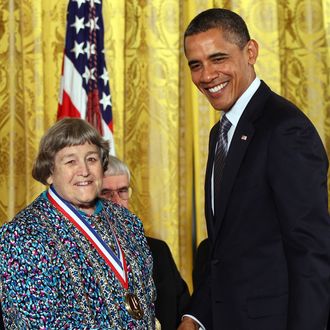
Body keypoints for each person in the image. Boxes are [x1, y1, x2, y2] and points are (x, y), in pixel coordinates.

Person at [178, 8, 330, 330]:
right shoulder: (220, 132)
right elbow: (227, 250)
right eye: (196, 65)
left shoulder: (285, 129)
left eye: (218, 59)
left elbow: (311, 253)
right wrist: (196, 315)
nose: (206, 76)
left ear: (251, 52)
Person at [0, 118, 156, 328]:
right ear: (49, 173)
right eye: (70, 161)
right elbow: (40, 324)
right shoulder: (22, 236)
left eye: (91, 159)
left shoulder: (127, 222)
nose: (84, 171)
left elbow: (147, 298)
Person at [100, 155, 191, 330]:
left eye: (122, 191)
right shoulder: (80, 255)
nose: (116, 201)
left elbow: (184, 306)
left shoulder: (157, 250)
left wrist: (189, 322)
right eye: (106, 193)